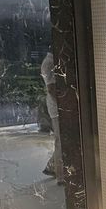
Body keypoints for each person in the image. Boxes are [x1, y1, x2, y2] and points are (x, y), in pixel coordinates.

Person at [41, 51, 63, 183]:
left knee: (61, 140)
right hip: (57, 108)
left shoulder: (52, 61)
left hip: (57, 108)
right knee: (60, 141)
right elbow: (51, 88)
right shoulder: (49, 63)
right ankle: (60, 175)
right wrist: (64, 104)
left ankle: (52, 167)